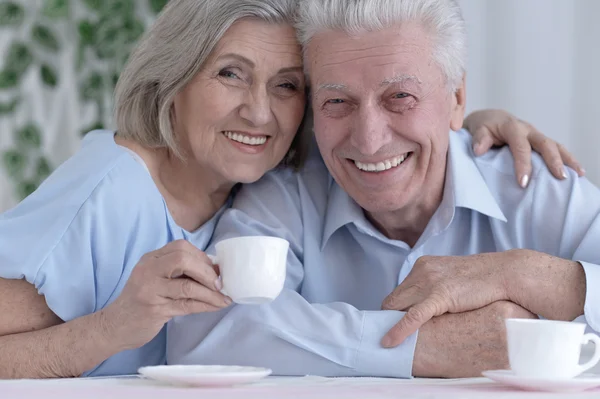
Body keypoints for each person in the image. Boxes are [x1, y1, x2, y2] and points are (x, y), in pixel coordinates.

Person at [0, 0, 580, 380]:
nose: (258, 112)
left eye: (286, 86)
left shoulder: (240, 192)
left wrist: (465, 123)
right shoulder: (115, 192)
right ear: (170, 80)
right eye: (230, 73)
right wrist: (110, 329)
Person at [166, 0, 599, 379]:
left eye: (401, 97)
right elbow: (204, 330)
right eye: (337, 102)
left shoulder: (536, 186)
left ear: (457, 98)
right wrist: (422, 346)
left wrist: (523, 274)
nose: (369, 140)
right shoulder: (287, 194)